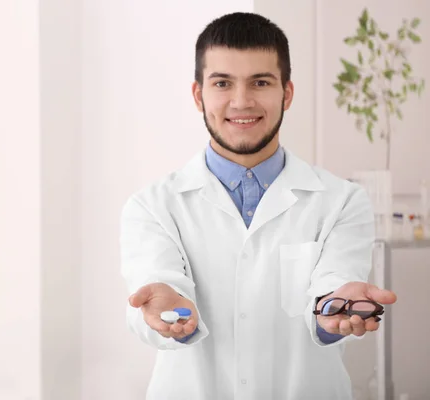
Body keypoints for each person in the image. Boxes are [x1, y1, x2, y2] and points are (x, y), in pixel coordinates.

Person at [119, 11, 398, 400]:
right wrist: (168, 311)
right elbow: (159, 288)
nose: (241, 101)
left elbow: (334, 285)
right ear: (199, 95)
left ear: (287, 92)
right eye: (222, 83)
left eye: (260, 82)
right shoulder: (152, 206)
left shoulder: (342, 201)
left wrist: (335, 304)